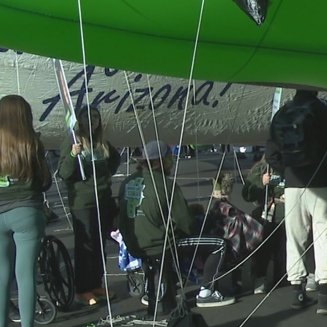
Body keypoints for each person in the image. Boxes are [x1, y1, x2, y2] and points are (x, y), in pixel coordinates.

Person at [118, 141, 235, 314]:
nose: (172, 162)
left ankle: (157, 288)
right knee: (218, 244)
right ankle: (206, 293)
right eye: (169, 158)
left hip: (133, 245)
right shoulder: (166, 184)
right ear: (161, 161)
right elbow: (186, 222)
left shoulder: (127, 182)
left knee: (162, 242)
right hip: (159, 245)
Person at [265, 89, 327, 315]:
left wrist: (288, 170)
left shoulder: (283, 113)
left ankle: (298, 293)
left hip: (293, 184)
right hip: (324, 183)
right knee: (325, 237)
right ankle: (324, 296)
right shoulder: (325, 112)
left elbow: (271, 152)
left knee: (295, 238)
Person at [0, 95, 51, 327]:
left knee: (1, 273)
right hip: (27, 211)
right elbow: (45, 182)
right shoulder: (33, 143)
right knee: (25, 274)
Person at [57, 106, 121, 306]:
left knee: (100, 243)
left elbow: (114, 159)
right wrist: (72, 155)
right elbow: (64, 173)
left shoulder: (101, 143)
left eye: (96, 117)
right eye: (88, 117)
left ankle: (96, 283)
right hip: (82, 202)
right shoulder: (73, 141)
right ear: (80, 120)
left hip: (102, 199)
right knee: (86, 246)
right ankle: (83, 288)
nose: (93, 121)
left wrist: (106, 177)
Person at [243, 153, 287, 294]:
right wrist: (261, 182)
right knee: (263, 247)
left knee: (284, 248)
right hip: (265, 213)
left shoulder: (289, 166)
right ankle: (260, 278)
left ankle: (283, 276)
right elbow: (247, 194)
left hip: (286, 212)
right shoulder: (261, 168)